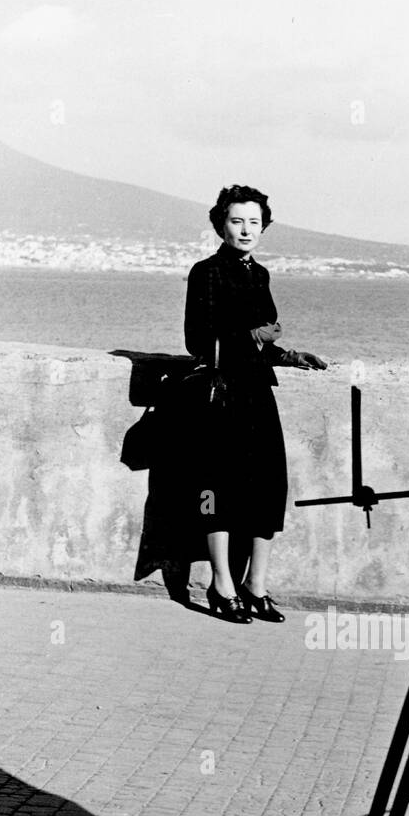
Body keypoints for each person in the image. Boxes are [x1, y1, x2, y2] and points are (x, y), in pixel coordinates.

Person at [134, 183, 327, 621]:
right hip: (220, 397)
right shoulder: (207, 272)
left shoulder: (260, 275)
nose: (246, 229)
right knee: (216, 490)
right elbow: (198, 340)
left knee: (268, 489)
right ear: (221, 224)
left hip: (258, 394)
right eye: (237, 221)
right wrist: (251, 336)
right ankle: (222, 584)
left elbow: (262, 341)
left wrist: (290, 356)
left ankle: (256, 585)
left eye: (254, 222)